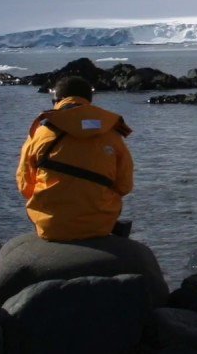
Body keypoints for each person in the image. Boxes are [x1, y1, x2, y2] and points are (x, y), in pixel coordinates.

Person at [17, 75, 134, 241]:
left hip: (51, 226)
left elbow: (25, 186)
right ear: (88, 101)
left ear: (57, 101)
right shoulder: (111, 134)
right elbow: (124, 186)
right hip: (100, 224)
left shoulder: (39, 133)